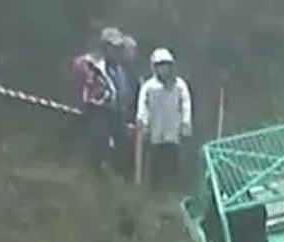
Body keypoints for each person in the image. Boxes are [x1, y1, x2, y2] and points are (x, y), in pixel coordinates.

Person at [72, 27, 132, 175]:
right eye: (113, 47)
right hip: (96, 109)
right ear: (105, 47)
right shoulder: (91, 63)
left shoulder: (119, 69)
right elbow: (81, 80)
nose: (117, 52)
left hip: (115, 111)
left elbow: (122, 91)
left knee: (122, 143)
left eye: (119, 48)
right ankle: (93, 173)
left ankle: (116, 174)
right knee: (98, 143)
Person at [136, 48, 193, 192]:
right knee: (155, 167)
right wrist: (143, 122)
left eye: (167, 65)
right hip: (155, 133)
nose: (164, 69)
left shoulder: (179, 85)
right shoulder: (148, 87)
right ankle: (156, 195)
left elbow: (186, 104)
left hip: (173, 133)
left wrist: (186, 123)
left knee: (174, 164)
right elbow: (143, 105)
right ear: (154, 67)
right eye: (161, 65)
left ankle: (175, 192)